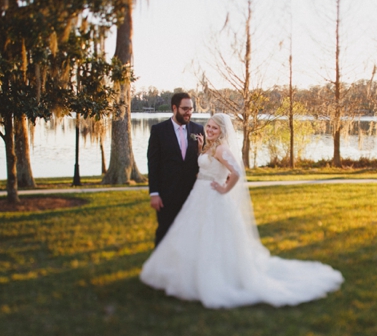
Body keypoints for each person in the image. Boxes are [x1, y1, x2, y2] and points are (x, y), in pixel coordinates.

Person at [140, 113, 343, 308]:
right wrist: (202, 149)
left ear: (222, 131)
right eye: (208, 126)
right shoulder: (210, 146)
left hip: (213, 197)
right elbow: (207, 165)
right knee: (193, 234)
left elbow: (236, 171)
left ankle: (216, 277)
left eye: (214, 127)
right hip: (198, 196)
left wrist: (224, 188)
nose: (209, 130)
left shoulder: (221, 149)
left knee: (212, 239)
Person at [146, 92, 206, 246]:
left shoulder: (198, 129)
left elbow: (204, 159)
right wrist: (154, 193)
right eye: (185, 108)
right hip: (167, 193)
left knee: (190, 234)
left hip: (192, 194)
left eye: (191, 109)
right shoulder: (159, 131)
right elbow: (153, 164)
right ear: (174, 108)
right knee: (165, 232)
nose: (189, 112)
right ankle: (159, 266)